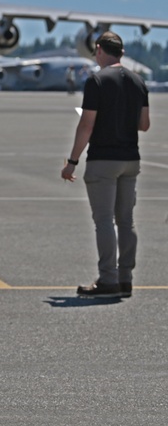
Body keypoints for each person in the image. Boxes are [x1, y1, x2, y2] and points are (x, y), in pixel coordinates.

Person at [61, 31, 150, 298]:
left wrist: (72, 162)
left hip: (103, 160)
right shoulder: (138, 81)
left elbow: (86, 125)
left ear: (99, 49)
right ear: (121, 53)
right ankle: (125, 278)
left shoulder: (97, 81)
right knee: (126, 221)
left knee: (103, 221)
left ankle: (108, 279)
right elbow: (144, 125)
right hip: (130, 160)